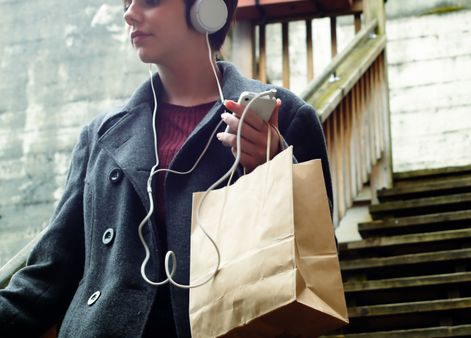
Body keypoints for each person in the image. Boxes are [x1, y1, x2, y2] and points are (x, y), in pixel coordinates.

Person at [0, 0, 332, 336]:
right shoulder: (100, 135)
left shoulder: (283, 117)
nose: (129, 14)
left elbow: (314, 255)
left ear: (206, 8)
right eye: (126, 2)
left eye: (150, 1)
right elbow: (48, 276)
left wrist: (272, 164)